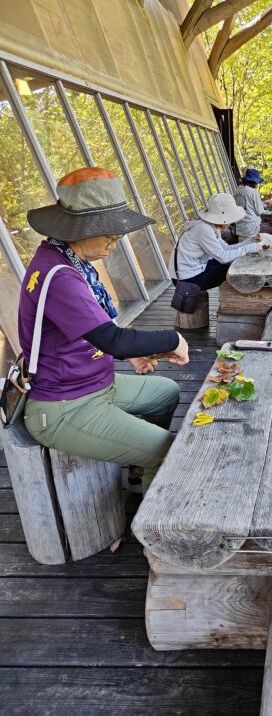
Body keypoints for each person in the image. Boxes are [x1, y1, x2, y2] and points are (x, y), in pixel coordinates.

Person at [20, 167, 190, 494]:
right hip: (65, 405)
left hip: (95, 383)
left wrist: (137, 354)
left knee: (166, 393)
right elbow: (112, 340)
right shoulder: (60, 277)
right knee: (167, 449)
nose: (115, 241)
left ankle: (140, 473)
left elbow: (97, 330)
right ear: (80, 228)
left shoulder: (64, 258)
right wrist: (172, 338)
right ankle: (155, 527)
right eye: (109, 233)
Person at [168, 193, 264, 292]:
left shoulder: (210, 226)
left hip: (195, 269)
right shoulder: (204, 229)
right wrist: (249, 248)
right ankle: (237, 301)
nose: (232, 223)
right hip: (186, 279)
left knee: (233, 264)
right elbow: (223, 257)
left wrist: (249, 241)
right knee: (235, 271)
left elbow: (227, 249)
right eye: (230, 219)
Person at [233, 168, 265, 240]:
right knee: (251, 248)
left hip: (240, 227)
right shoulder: (253, 192)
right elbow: (259, 211)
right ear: (255, 182)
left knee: (242, 247)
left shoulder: (237, 190)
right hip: (251, 227)